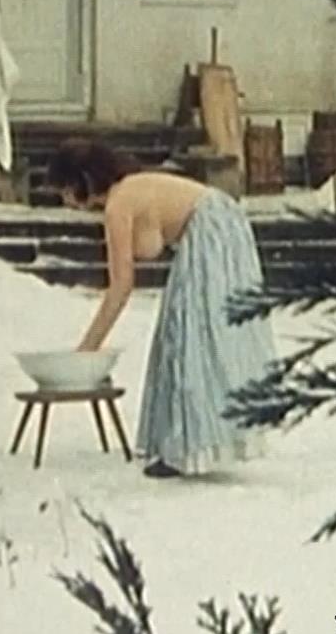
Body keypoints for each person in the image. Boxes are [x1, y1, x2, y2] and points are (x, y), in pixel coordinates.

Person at [46, 140, 276, 478]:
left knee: (189, 335)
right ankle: (197, 439)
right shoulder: (129, 192)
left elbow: (121, 286)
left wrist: (87, 349)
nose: (66, 201)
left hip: (212, 227)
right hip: (223, 223)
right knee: (196, 332)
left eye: (66, 191)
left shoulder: (119, 205)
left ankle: (193, 444)